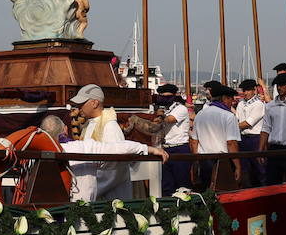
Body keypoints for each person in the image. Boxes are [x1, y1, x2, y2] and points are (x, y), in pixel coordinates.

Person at [37, 115, 168, 203]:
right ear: (65, 130)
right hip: (80, 211)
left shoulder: (34, 153)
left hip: (45, 207)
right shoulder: (83, 147)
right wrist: (150, 149)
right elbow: (119, 149)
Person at [69, 83, 130, 201]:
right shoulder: (89, 125)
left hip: (110, 196)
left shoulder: (110, 126)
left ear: (95, 103)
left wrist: (93, 186)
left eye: (82, 104)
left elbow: (117, 166)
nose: (78, 108)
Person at [191, 84, 241, 187]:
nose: (232, 103)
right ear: (224, 98)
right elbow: (231, 143)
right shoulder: (229, 116)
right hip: (223, 161)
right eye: (231, 99)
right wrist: (238, 166)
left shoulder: (200, 114)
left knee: (205, 192)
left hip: (204, 160)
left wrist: (196, 161)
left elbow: (194, 141)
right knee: (224, 193)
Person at [260, 73, 286, 184]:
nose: (279, 88)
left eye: (282, 85)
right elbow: (265, 128)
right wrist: (261, 149)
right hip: (274, 149)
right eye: (278, 85)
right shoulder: (270, 106)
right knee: (272, 183)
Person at [154, 83, 192, 195]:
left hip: (179, 148)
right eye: (162, 97)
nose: (165, 99)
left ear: (174, 96)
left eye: (168, 97)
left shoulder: (181, 109)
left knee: (182, 185)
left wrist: (160, 116)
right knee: (166, 186)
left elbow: (170, 119)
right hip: (165, 149)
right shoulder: (163, 109)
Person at [235, 78, 266, 186]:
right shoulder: (241, 104)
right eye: (244, 90)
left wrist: (233, 127)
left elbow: (248, 123)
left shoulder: (258, 104)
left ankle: (262, 190)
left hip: (255, 139)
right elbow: (237, 119)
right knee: (245, 168)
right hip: (243, 138)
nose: (245, 93)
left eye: (248, 90)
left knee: (259, 168)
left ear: (254, 90)